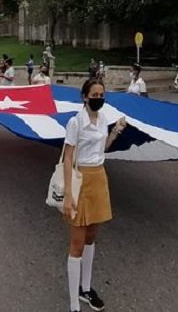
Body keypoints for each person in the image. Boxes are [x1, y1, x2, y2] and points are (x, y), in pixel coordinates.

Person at [63, 79, 127, 312]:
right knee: (77, 243)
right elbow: (68, 158)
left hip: (99, 178)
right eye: (95, 94)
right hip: (80, 179)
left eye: (102, 94)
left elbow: (103, 149)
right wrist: (69, 195)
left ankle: (86, 289)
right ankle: (73, 305)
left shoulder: (102, 121)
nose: (99, 97)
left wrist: (116, 131)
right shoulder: (75, 122)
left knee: (91, 237)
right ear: (84, 97)